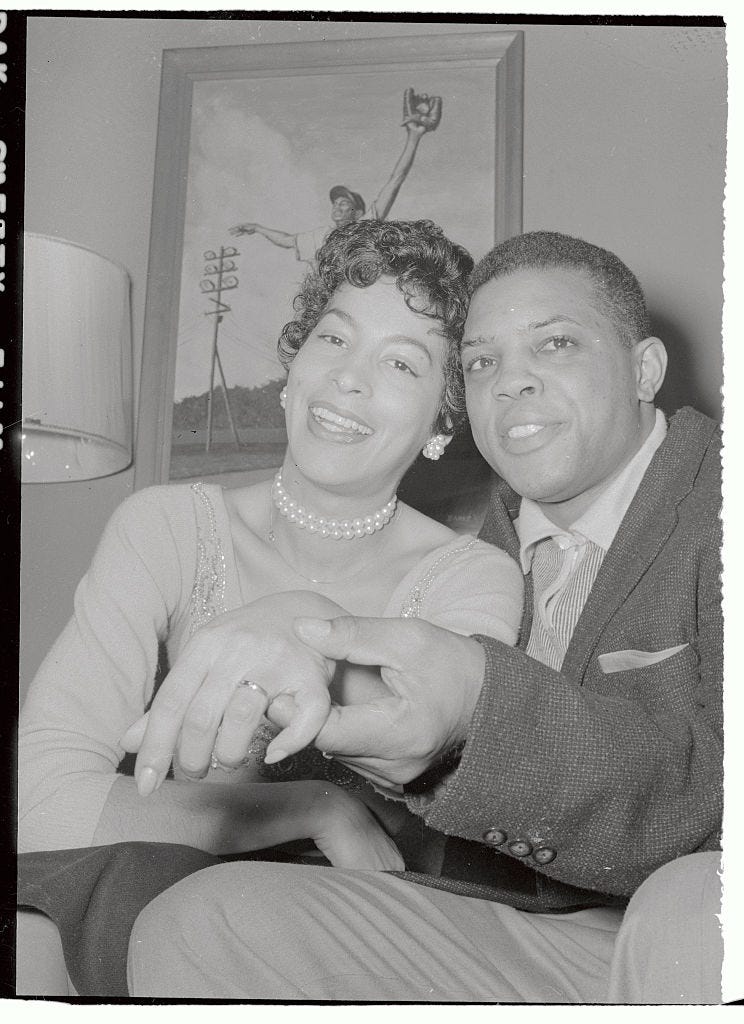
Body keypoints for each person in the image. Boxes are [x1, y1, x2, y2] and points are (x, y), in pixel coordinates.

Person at [127, 231, 723, 1003]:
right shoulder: (471, 558)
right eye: (481, 362)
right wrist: (311, 650)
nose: (513, 383)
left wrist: (476, 709)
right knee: (199, 922)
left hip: (694, 927)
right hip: (526, 932)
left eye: (557, 344)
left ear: (644, 370)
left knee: (702, 907)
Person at [17, 219, 524, 996]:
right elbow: (38, 803)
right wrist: (313, 807)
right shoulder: (162, 528)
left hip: (358, 940)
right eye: (333, 339)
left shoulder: (473, 578)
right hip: (150, 896)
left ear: (442, 424)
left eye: (400, 362)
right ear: (293, 368)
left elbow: (435, 768)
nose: (350, 379)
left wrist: (301, 625)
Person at [229, 87, 442, 263]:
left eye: (344, 204)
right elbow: (286, 240)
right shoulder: (322, 236)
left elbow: (396, 180)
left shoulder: (365, 226)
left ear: (357, 213)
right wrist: (257, 228)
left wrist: (414, 136)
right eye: (336, 202)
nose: (337, 206)